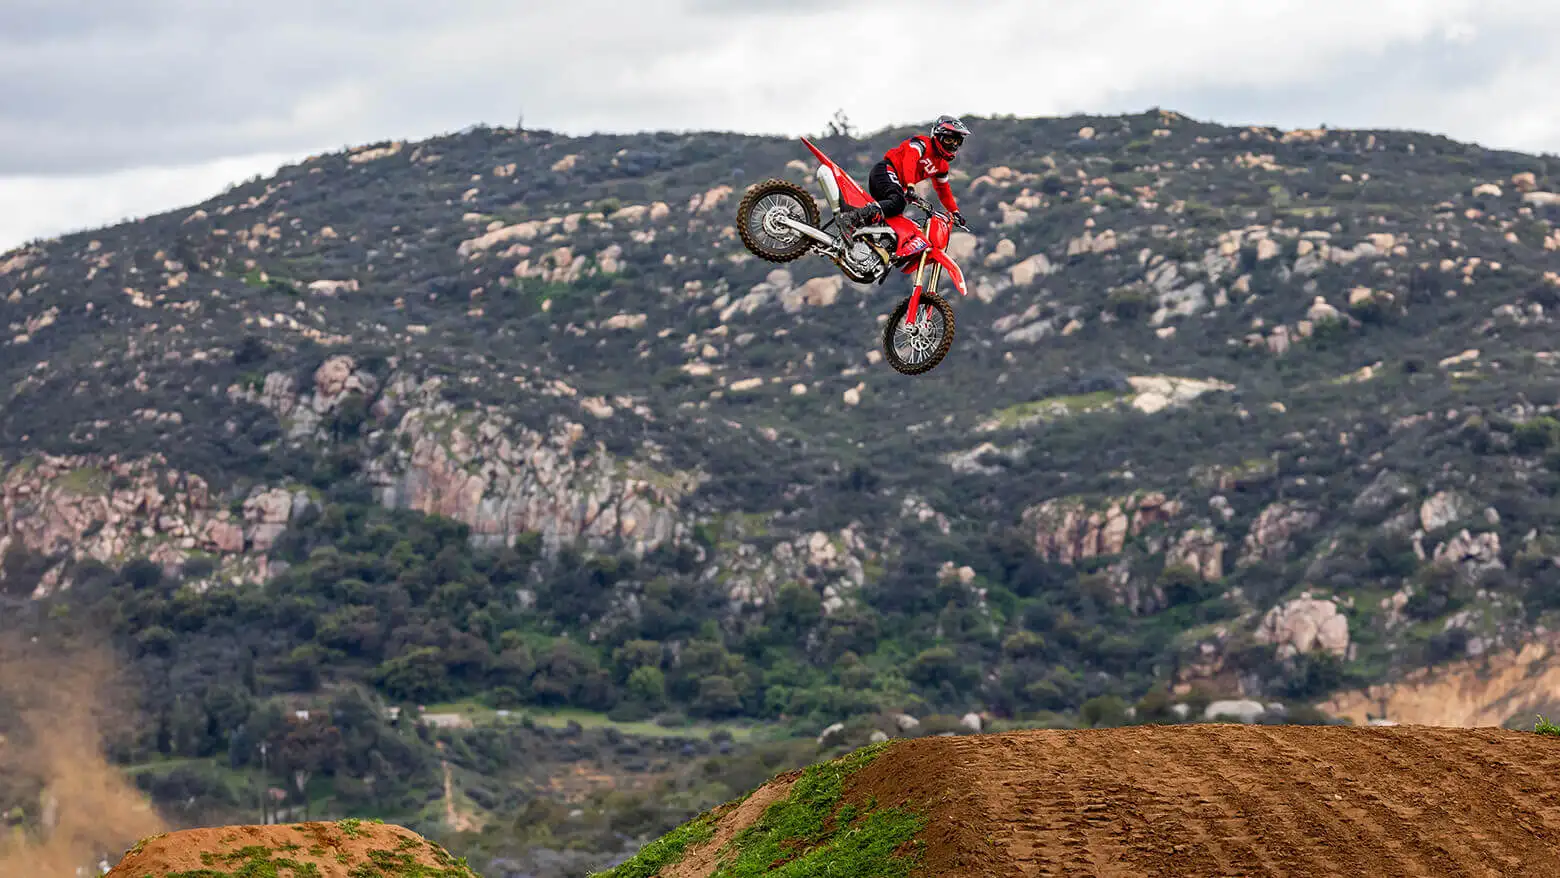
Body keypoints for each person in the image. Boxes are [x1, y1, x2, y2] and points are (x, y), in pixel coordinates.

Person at [838, 115, 969, 242]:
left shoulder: (942, 166)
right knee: (898, 203)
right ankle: (850, 218)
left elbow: (944, 190)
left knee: (895, 225)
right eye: (948, 140)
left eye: (957, 142)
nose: (953, 145)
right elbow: (909, 161)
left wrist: (955, 212)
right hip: (886, 170)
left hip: (896, 184)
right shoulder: (922, 143)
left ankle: (857, 239)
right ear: (937, 137)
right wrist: (910, 186)